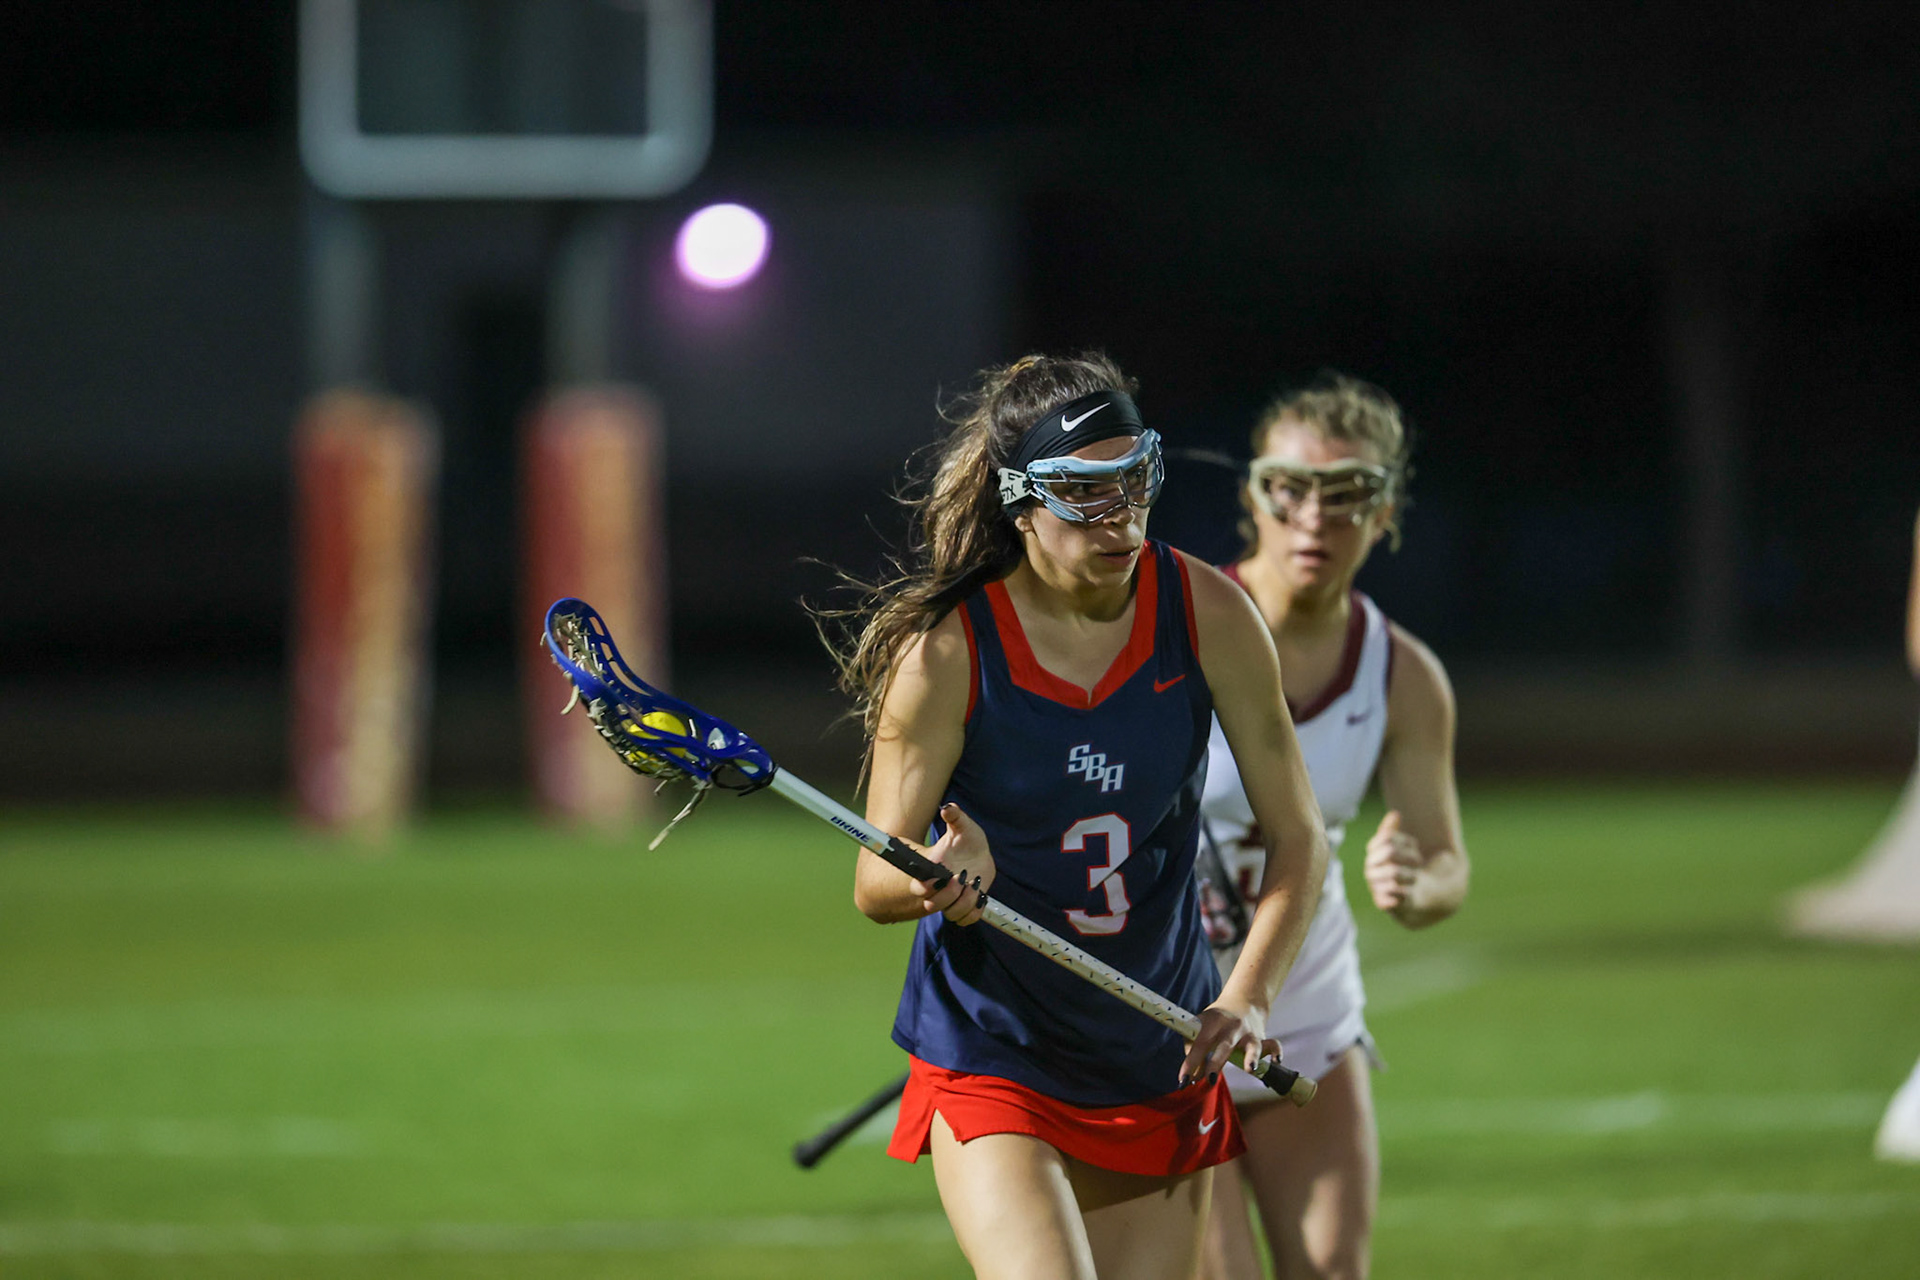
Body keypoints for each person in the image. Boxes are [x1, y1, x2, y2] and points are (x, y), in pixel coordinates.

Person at [827, 352, 1331, 1280]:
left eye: (1134, 480)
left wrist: (1248, 992)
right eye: (1084, 493)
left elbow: (1298, 840)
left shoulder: (1209, 614)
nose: (1121, 515)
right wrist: (938, 877)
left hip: (1156, 1044)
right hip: (994, 1051)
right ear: (1021, 503)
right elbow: (873, 878)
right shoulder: (945, 655)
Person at [1197, 374, 1470, 1280]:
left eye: (1347, 495)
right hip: (1165, 1027)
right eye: (1290, 487)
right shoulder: (1175, 631)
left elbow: (1445, 871)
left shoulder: (1401, 675)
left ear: (1385, 514)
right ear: (1252, 497)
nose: (1315, 517)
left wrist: (1414, 881)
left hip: (1302, 1021)